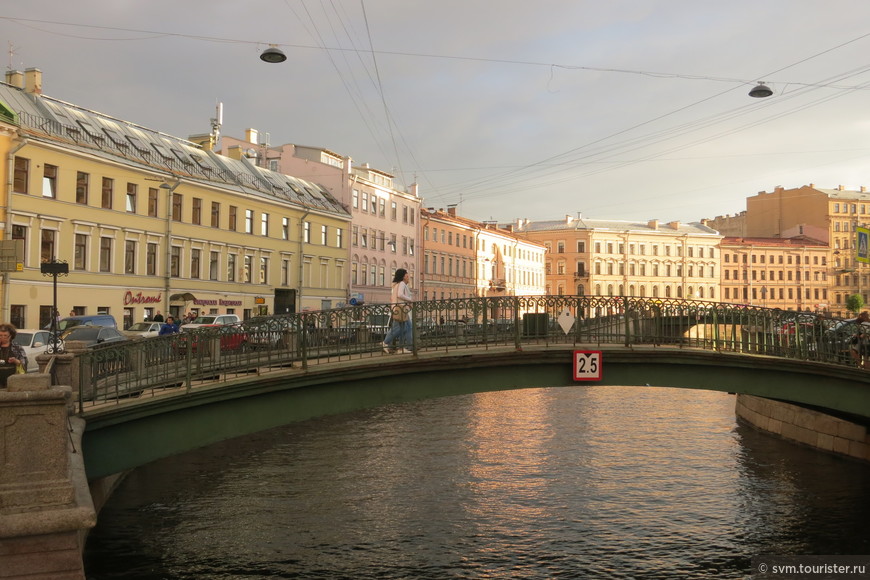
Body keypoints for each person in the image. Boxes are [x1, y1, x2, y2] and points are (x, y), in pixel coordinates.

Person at [382, 268, 414, 354]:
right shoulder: (402, 283)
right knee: (399, 328)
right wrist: (410, 300)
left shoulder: (396, 284)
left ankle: (403, 347)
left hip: (397, 308)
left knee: (405, 328)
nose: (408, 277)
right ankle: (386, 343)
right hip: (400, 309)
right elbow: (400, 294)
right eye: (407, 276)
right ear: (403, 277)